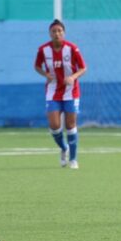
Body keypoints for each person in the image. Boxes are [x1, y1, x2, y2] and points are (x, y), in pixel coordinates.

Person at [34, 19, 87, 169]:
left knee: (70, 125)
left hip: (71, 91)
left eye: (59, 31)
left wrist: (73, 77)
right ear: (50, 33)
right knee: (54, 125)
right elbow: (37, 66)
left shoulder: (72, 48)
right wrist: (45, 74)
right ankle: (64, 148)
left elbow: (83, 68)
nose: (57, 34)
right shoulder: (43, 50)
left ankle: (73, 159)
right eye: (54, 31)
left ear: (64, 33)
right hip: (52, 91)